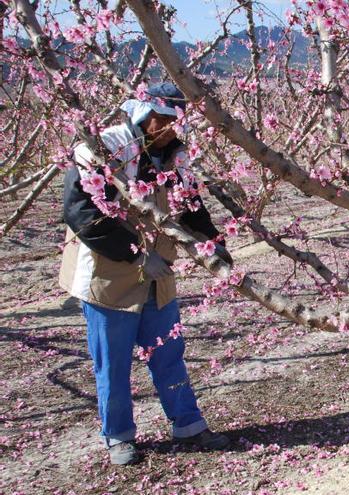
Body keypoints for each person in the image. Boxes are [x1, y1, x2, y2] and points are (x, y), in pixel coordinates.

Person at [60, 82, 230, 465]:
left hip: (159, 271)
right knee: (113, 362)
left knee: (169, 353)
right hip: (108, 276)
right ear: (146, 117)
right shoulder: (102, 151)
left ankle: (188, 423)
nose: (172, 129)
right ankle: (118, 436)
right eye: (165, 120)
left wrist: (213, 242)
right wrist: (134, 256)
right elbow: (81, 215)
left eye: (176, 121)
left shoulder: (174, 158)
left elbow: (191, 207)